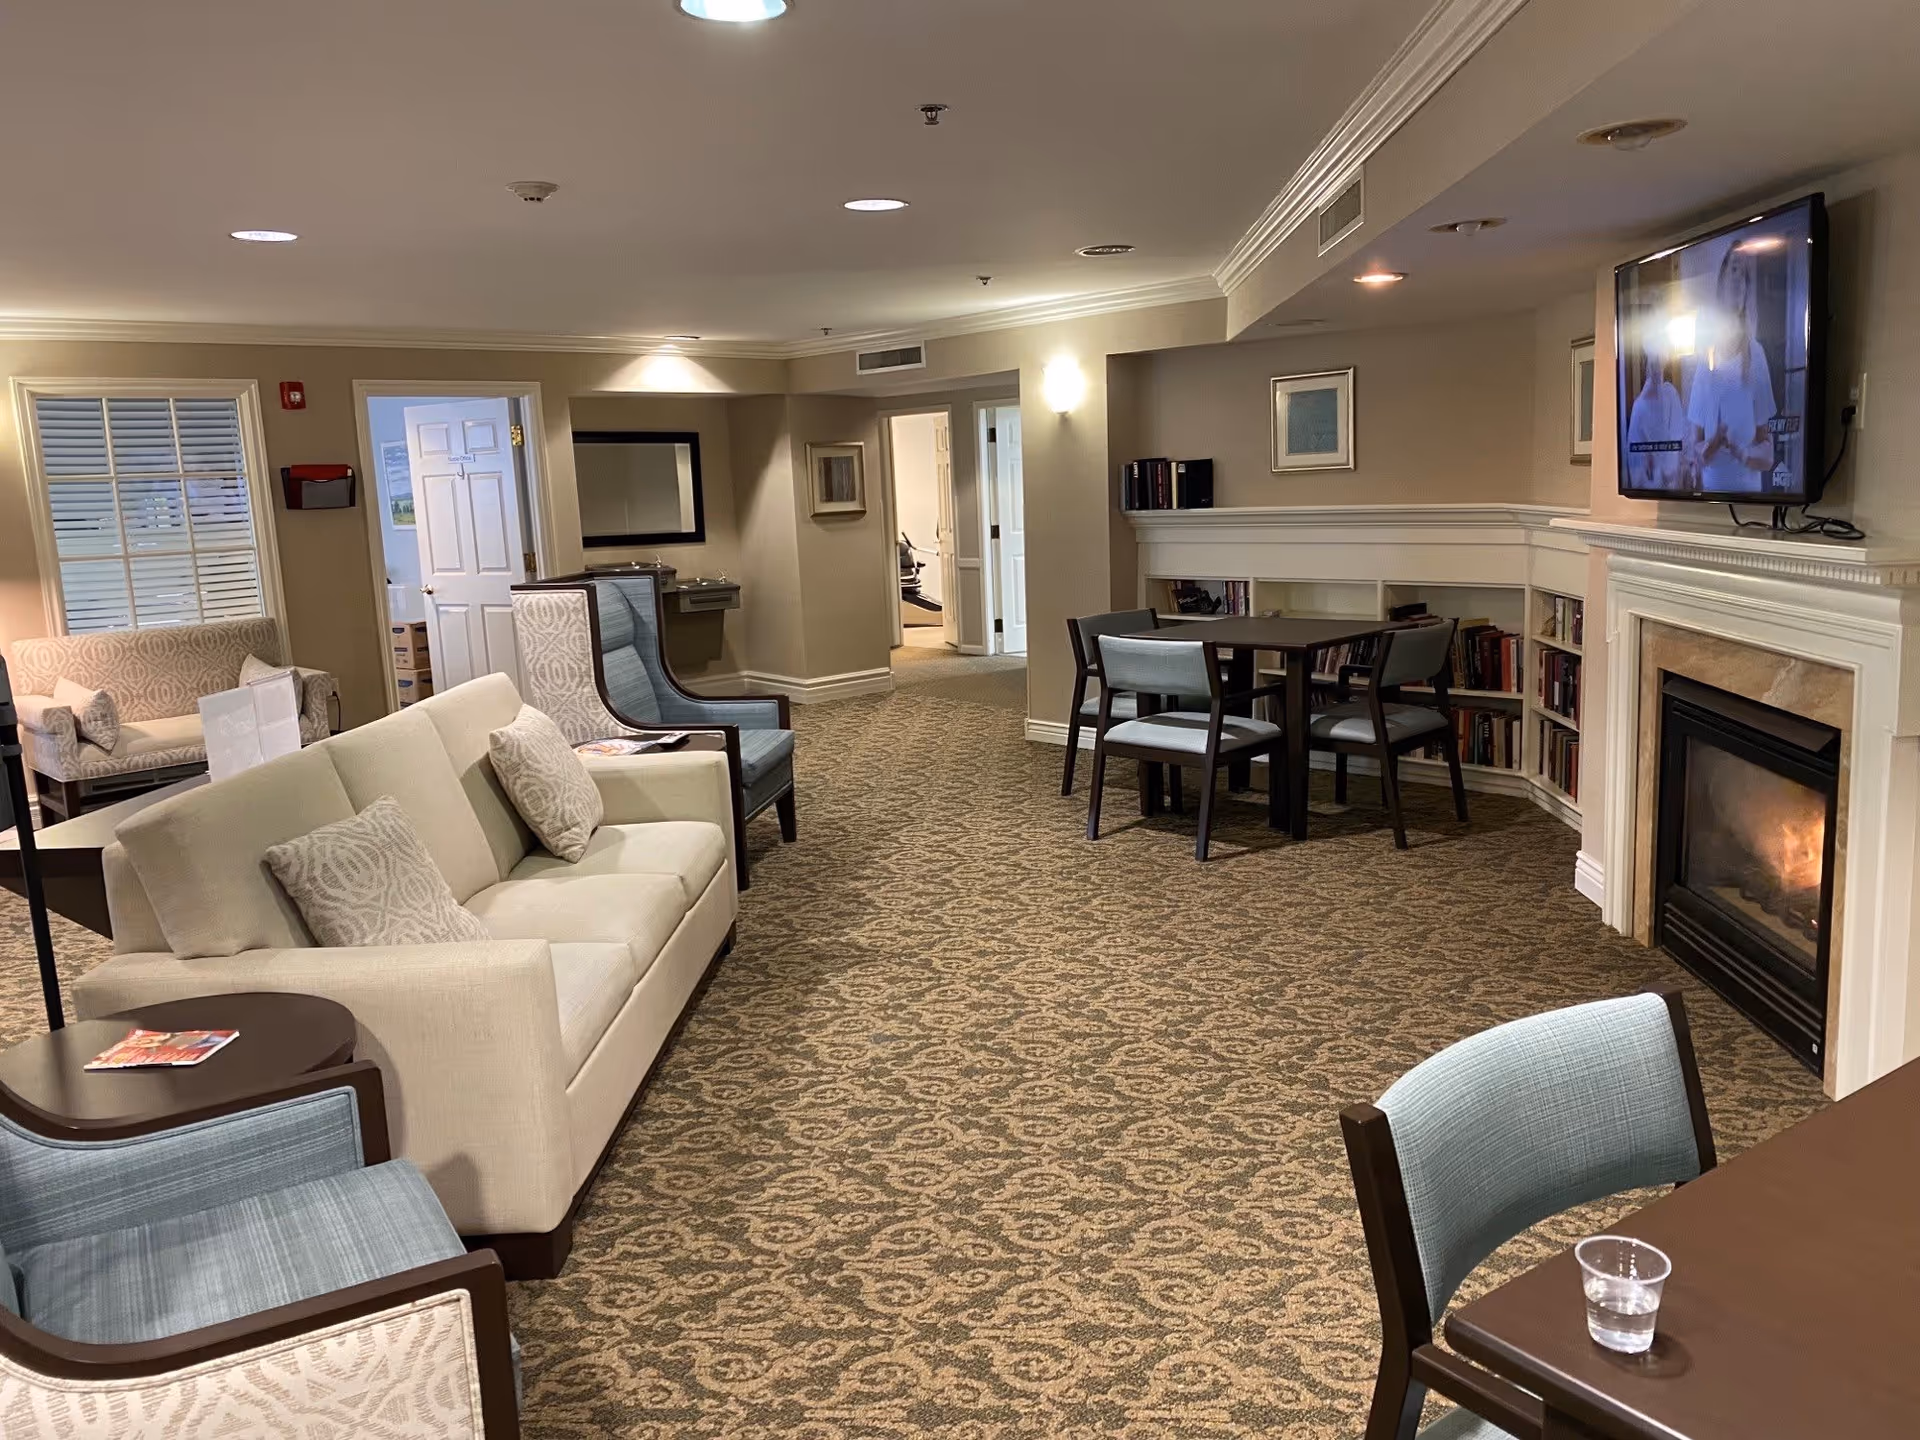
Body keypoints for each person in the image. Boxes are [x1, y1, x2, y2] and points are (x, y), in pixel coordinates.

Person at [1685, 244, 1778, 494]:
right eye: (1733, 269)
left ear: (1747, 290)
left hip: (1750, 502)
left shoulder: (1756, 355)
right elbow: (1694, 449)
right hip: (1710, 497)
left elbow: (1767, 452)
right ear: (1722, 284)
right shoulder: (1707, 360)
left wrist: (1743, 454)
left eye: (1743, 275)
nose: (1738, 279)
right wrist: (1714, 444)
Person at [1625, 323, 1689, 490]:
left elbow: (1680, 448)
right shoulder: (1640, 407)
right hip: (1650, 493)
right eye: (1654, 360)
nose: (1658, 365)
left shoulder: (1671, 395)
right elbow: (1637, 469)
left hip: (1676, 495)